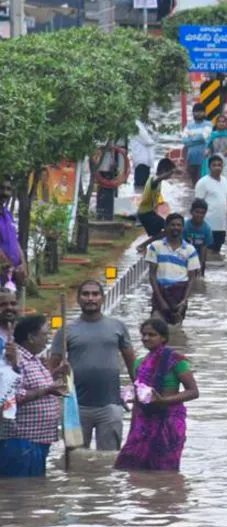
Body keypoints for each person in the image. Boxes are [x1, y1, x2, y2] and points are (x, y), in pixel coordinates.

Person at [48, 281, 136, 452]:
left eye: (95, 294)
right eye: (86, 294)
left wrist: (138, 389)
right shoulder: (66, 330)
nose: (90, 298)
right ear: (78, 299)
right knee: (75, 460)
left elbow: (130, 361)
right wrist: (56, 378)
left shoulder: (118, 327)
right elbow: (50, 369)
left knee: (110, 459)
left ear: (102, 298)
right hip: (76, 406)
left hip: (111, 405)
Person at [114, 318, 199, 472]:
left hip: (169, 420)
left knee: (166, 471)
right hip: (144, 420)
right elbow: (141, 394)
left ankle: (166, 495)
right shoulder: (139, 362)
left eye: (152, 335)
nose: (146, 338)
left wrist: (163, 400)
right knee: (130, 466)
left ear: (163, 338)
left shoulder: (176, 360)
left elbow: (193, 391)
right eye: (144, 335)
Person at [0, 315, 66, 477]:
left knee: (33, 490)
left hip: (38, 440)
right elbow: (12, 396)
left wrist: (56, 375)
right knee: (19, 491)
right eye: (45, 334)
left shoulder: (34, 359)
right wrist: (48, 390)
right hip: (21, 441)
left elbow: (36, 385)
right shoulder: (15, 360)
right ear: (31, 337)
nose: (47, 339)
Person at [146, 213, 200, 326]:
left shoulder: (190, 250)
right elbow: (152, 275)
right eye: (172, 225)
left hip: (179, 294)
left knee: (175, 330)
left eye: (179, 225)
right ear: (166, 227)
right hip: (160, 292)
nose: (175, 227)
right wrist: (161, 301)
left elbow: (192, 278)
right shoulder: (155, 247)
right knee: (156, 325)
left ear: (183, 228)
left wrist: (184, 301)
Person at [193, 155, 227, 257]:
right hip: (207, 226)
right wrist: (197, 226)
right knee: (205, 254)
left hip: (221, 227)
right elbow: (196, 205)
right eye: (214, 165)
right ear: (209, 167)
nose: (217, 167)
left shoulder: (225, 181)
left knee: (216, 253)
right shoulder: (202, 183)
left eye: (219, 165)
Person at [135, 158, 175, 241]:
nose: (170, 176)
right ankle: (142, 246)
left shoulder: (156, 181)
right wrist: (170, 172)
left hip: (149, 213)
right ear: (165, 171)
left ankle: (149, 247)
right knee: (168, 228)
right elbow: (158, 180)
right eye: (170, 174)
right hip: (145, 214)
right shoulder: (154, 180)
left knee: (159, 233)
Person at [0, 177, 28, 290]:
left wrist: (23, 265)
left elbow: (15, 242)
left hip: (12, 277)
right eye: (1, 188)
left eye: (8, 189)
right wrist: (11, 267)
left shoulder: (7, 214)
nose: (5, 193)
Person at [202, 115, 227, 191]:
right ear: (216, 123)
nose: (221, 123)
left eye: (223, 122)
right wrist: (207, 151)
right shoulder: (212, 135)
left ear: (226, 123)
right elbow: (208, 147)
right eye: (219, 122)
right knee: (216, 183)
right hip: (216, 162)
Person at [182, 199, 214, 276]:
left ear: (205, 214)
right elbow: (181, 245)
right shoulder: (185, 226)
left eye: (202, 213)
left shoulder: (207, 229)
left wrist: (201, 264)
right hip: (185, 256)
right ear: (191, 212)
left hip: (199, 256)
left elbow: (204, 248)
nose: (199, 215)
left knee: (199, 278)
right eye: (197, 212)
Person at [182, 104, 212, 185]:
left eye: (201, 112)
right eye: (196, 112)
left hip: (204, 159)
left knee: (205, 183)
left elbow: (203, 136)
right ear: (193, 113)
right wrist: (198, 139)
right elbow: (184, 140)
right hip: (191, 159)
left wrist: (191, 138)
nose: (198, 113)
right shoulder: (189, 126)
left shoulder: (208, 124)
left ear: (205, 113)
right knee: (195, 184)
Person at [129, 120, 156, 191]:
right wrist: (152, 134)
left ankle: (141, 198)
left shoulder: (142, 124)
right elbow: (148, 141)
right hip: (141, 160)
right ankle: (139, 198)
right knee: (140, 185)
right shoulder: (136, 124)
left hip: (144, 160)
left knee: (144, 185)